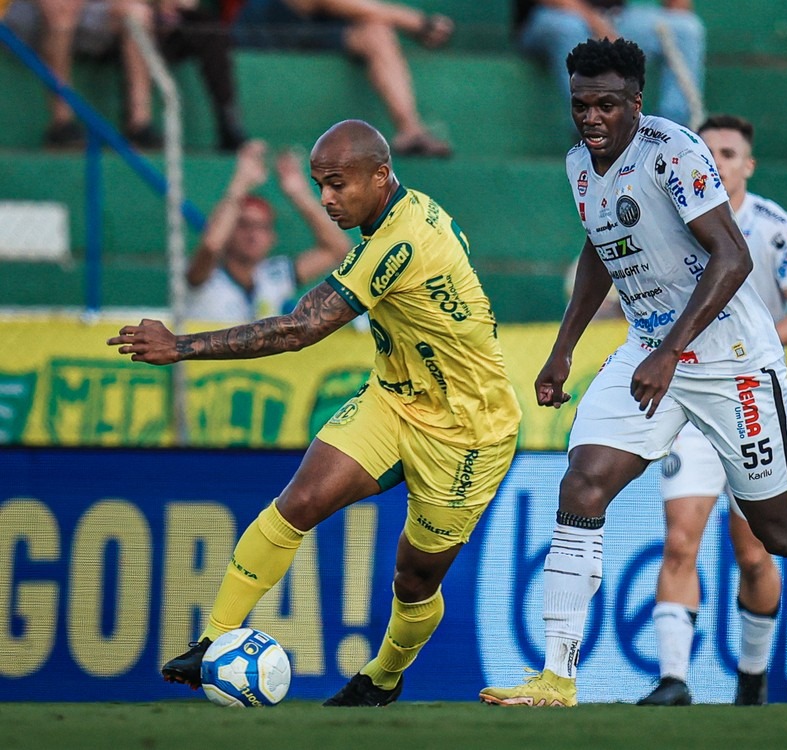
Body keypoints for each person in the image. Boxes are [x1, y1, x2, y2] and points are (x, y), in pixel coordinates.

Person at [478, 38, 787, 708]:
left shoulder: (673, 150)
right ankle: (557, 676)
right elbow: (599, 250)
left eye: (606, 104)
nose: (591, 118)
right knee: (583, 483)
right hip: (649, 347)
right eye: (580, 105)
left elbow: (732, 255)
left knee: (775, 531)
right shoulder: (580, 164)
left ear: (636, 102)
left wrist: (671, 352)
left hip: (731, 357)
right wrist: (565, 346)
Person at [109, 119, 522, 706]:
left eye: (336, 185)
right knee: (298, 501)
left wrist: (182, 346)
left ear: (381, 176)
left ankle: (381, 678)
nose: (327, 199)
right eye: (318, 185)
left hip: (469, 431)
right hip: (395, 398)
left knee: (415, 577)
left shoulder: (397, 243)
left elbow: (301, 328)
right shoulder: (400, 213)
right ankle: (214, 639)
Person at [636, 114, 787, 708]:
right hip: (690, 401)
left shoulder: (775, 230)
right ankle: (674, 679)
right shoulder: (667, 219)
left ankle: (751, 677)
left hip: (751, 401)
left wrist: (752, 341)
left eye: (729, 152)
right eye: (708, 151)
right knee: (680, 540)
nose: (717, 161)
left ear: (748, 164)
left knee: (756, 550)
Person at [232, 0, 454, 157]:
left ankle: (410, 131)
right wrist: (415, 22)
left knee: (377, 32)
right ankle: (417, 23)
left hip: (317, 32)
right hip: (262, 30)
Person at [184, 138, 351, 322]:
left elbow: (337, 250)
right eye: (244, 224)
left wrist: (299, 194)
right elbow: (211, 245)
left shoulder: (272, 277)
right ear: (229, 231)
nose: (253, 234)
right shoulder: (205, 277)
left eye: (262, 227)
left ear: (272, 237)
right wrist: (240, 184)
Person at [513, 0, 705, 130]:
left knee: (685, 28)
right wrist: (595, 23)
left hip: (615, 18)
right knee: (570, 28)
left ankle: (670, 132)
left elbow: (679, 7)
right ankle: (592, 130)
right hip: (551, 16)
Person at [5, 0, 162, 148]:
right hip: (22, 11)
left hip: (88, 11)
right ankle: (62, 124)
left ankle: (140, 126)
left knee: (137, 14)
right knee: (63, 6)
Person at [156, 1, 249, 152]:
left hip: (173, 25)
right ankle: (139, 127)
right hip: (125, 25)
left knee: (211, 31)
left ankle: (229, 123)